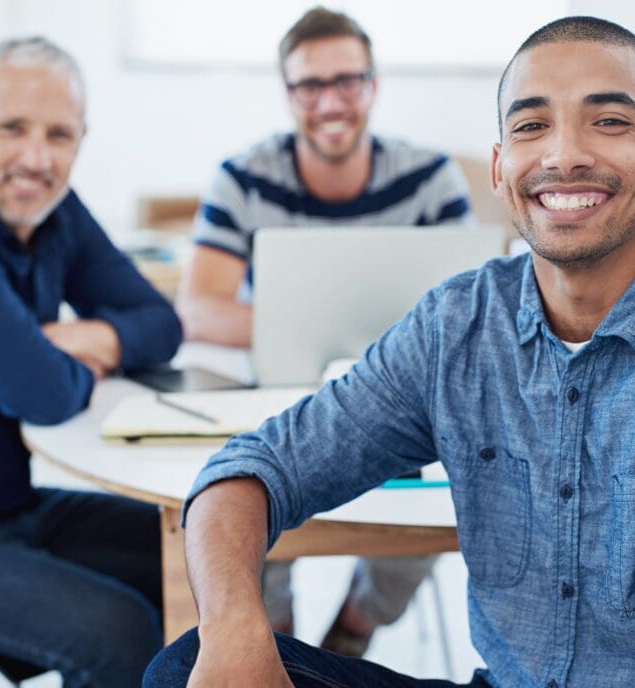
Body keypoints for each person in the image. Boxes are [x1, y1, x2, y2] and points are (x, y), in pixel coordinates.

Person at [146, 16, 635, 688]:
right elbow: (250, 471)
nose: (564, 154)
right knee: (186, 665)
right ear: (502, 168)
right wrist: (237, 625)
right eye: (532, 125)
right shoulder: (458, 326)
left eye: (610, 120)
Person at [175, 6, 472, 656]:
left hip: (399, 411)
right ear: (288, 95)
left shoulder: (430, 179)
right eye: (310, 85)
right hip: (278, 398)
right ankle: (274, 638)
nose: (330, 101)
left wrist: (373, 359)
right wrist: (310, 333)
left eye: (347, 80)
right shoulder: (242, 178)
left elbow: (466, 314)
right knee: (246, 491)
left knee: (456, 487)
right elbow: (199, 306)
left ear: (373, 85)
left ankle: (354, 628)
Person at [0, 37, 183, 686]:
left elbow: (162, 324)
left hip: (14, 508)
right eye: (12, 128)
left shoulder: (53, 210)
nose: (36, 158)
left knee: (209, 551)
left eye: (59, 135)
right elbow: (43, 392)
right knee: (118, 634)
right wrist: (54, 356)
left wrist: (68, 339)